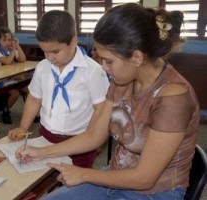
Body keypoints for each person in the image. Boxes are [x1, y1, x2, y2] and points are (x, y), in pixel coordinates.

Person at [15, 3, 199, 199]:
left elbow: (144, 178)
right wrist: (42, 152)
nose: (103, 68)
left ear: (137, 57)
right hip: (114, 177)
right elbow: (94, 135)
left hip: (153, 193)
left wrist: (84, 173)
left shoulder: (173, 97)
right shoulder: (122, 82)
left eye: (109, 61)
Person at [9, 10, 109, 168]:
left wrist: (90, 137)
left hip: (78, 141)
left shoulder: (93, 70)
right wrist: (23, 126)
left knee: (76, 183)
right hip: (46, 136)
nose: (49, 57)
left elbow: (100, 108)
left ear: (73, 41)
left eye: (55, 51)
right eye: (44, 51)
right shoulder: (43, 67)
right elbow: (34, 98)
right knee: (47, 178)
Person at [0, 27, 28, 124]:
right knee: (15, 93)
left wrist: (17, 46)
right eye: (4, 40)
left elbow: (23, 60)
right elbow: (7, 61)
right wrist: (14, 49)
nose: (7, 42)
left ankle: (30, 113)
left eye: (10, 40)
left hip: (12, 79)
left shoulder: (12, 50)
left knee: (30, 90)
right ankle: (6, 111)